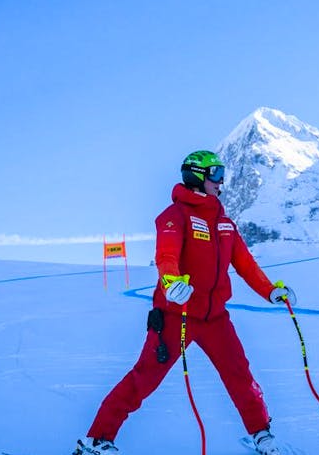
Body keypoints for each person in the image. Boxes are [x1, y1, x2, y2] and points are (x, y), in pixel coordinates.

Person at [72, 150, 297, 455]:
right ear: (196, 176)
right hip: (176, 315)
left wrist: (270, 291)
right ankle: (97, 440)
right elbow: (166, 256)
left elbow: (245, 264)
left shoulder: (225, 223)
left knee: (240, 375)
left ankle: (261, 435)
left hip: (215, 318)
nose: (221, 181)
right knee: (144, 378)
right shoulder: (175, 216)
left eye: (222, 174)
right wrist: (172, 283)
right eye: (215, 174)